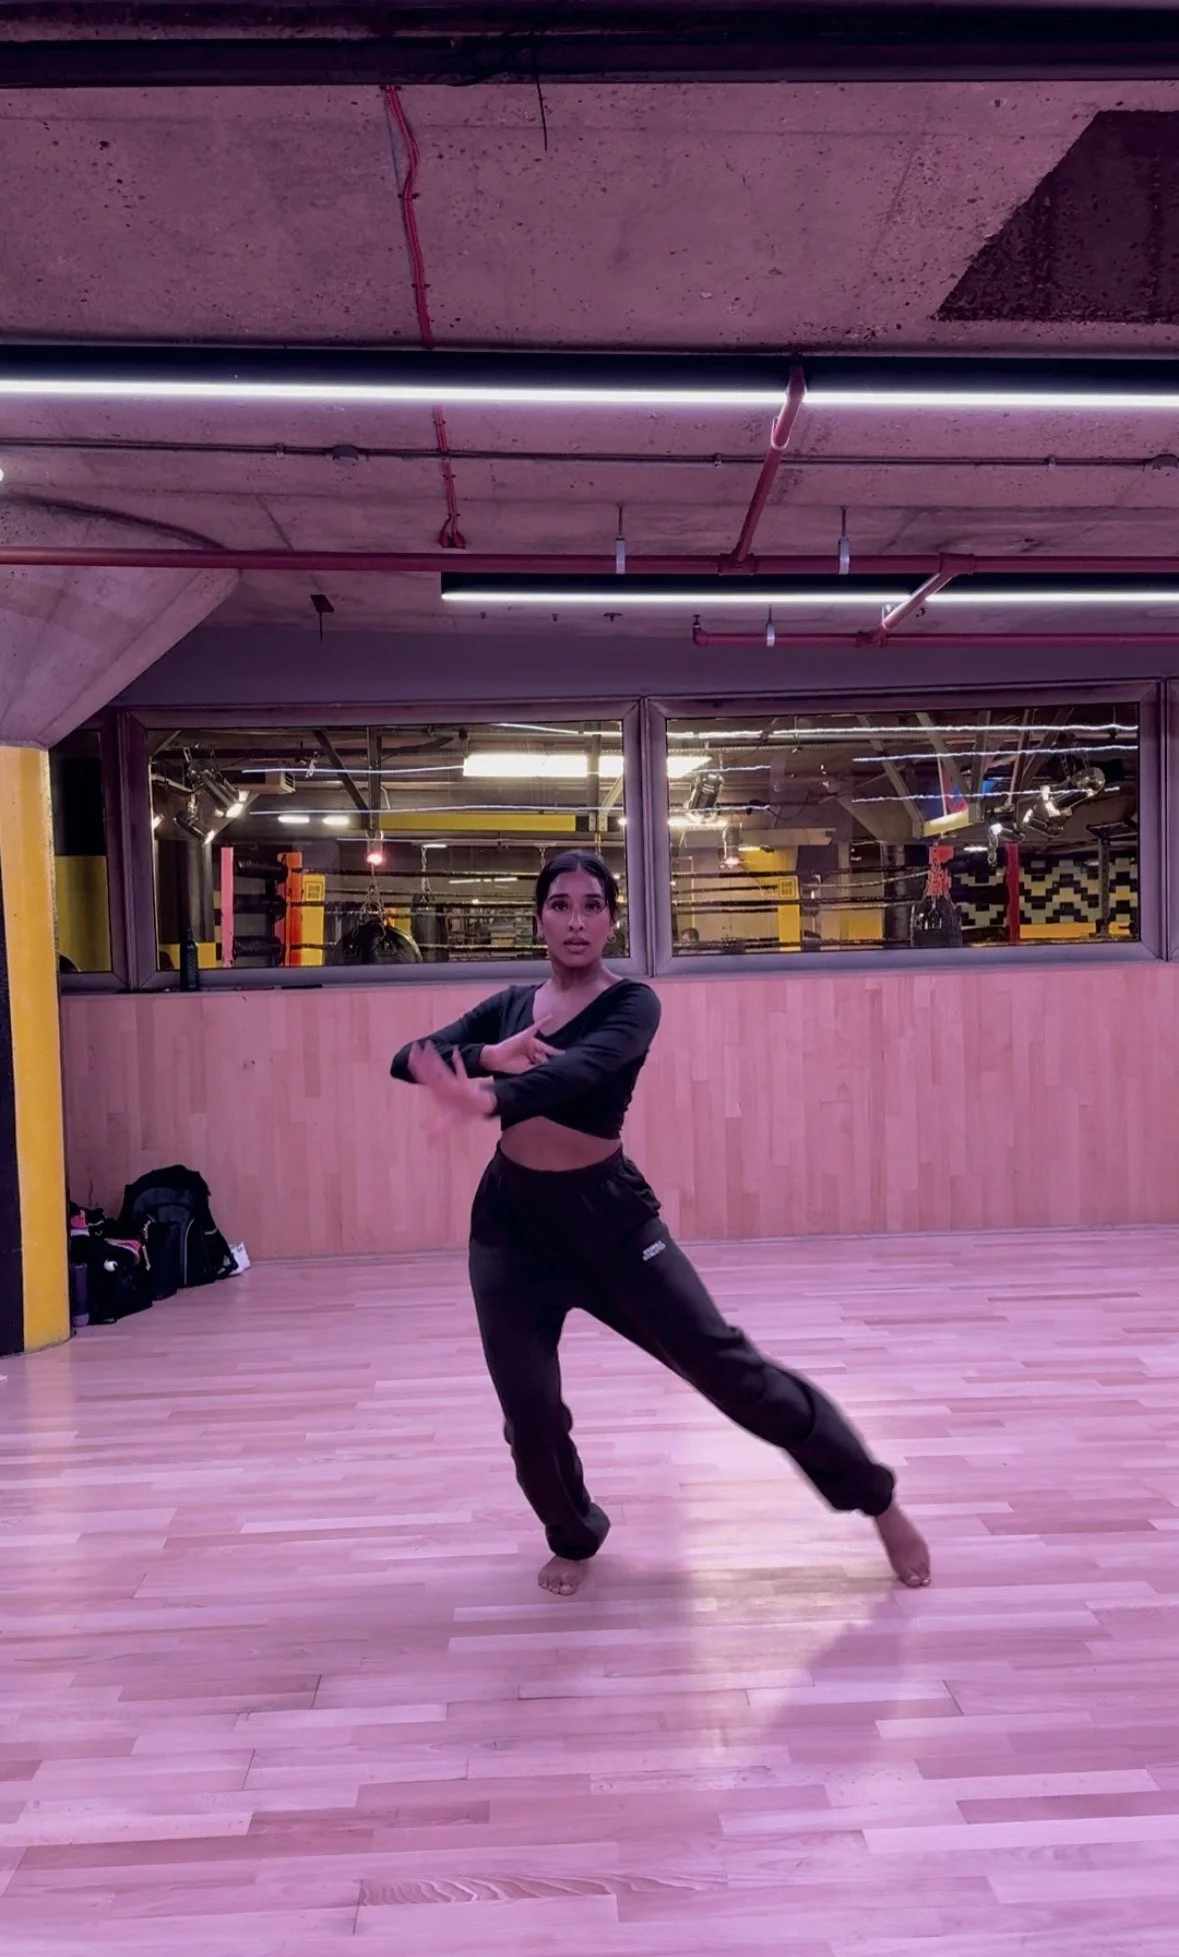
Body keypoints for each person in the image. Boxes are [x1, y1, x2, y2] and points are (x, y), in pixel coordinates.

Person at [390, 849, 930, 1597]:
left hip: (608, 1221)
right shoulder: (511, 1004)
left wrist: (488, 1096)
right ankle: (574, 1531)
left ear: (611, 919)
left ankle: (876, 1499)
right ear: (539, 917)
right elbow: (406, 1057)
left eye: (590, 905)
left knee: (732, 1374)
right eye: (559, 904)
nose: (575, 920)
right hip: (511, 1228)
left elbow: (574, 1073)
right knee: (530, 1413)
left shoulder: (631, 1005)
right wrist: (485, 1053)